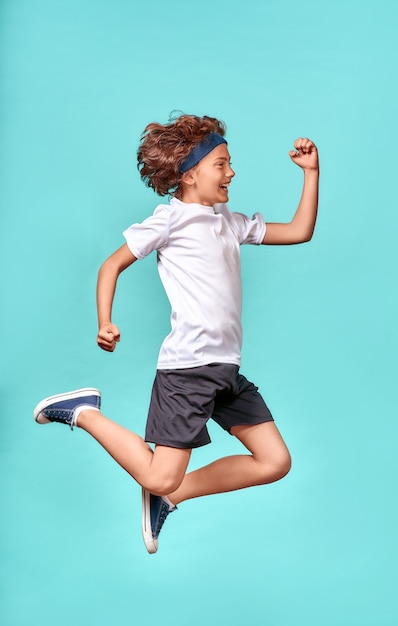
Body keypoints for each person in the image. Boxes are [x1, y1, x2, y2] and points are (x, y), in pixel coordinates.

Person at [33, 113, 319, 554]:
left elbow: (300, 231)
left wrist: (311, 174)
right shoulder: (169, 221)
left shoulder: (230, 222)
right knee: (157, 473)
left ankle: (172, 496)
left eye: (230, 163)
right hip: (187, 370)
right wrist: (104, 321)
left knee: (275, 461)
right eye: (221, 164)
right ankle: (83, 411)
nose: (232, 172)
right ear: (189, 175)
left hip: (225, 370)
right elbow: (111, 265)